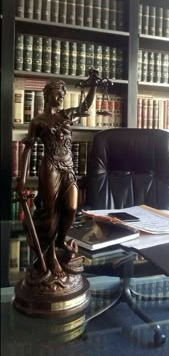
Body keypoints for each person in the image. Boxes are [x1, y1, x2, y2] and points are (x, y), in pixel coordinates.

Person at [15, 69, 100, 276]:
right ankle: (51, 255)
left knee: (71, 207)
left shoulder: (66, 115)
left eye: (63, 94)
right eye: (58, 93)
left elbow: (85, 106)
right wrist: (22, 179)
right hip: (50, 166)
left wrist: (94, 85)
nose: (61, 97)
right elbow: (27, 150)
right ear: (47, 95)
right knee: (51, 213)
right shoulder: (38, 121)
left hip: (68, 167)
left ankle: (61, 239)